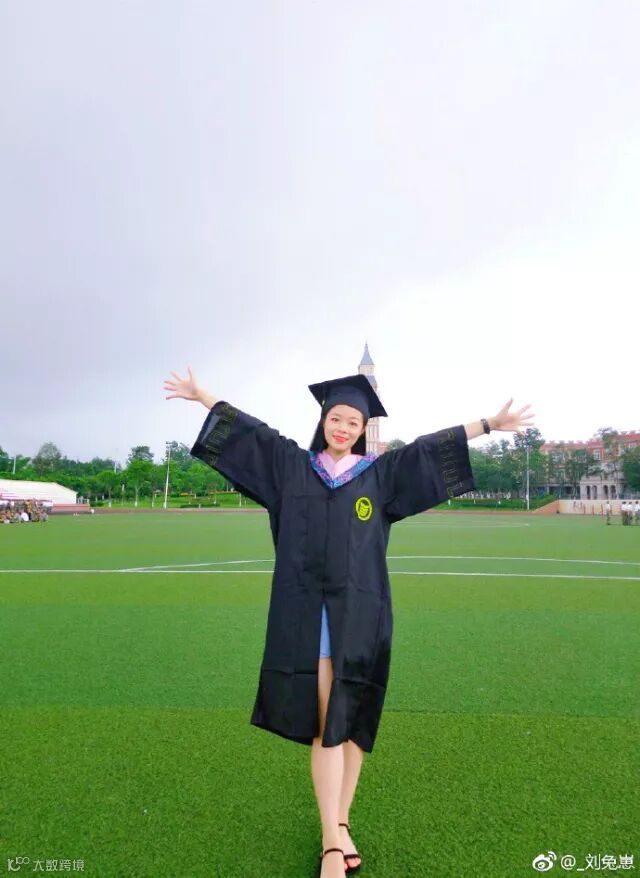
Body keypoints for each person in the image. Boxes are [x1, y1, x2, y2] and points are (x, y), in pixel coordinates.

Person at [164, 366, 536, 878]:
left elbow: (428, 450)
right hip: (309, 617)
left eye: (353, 422)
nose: (343, 428)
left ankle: (341, 821)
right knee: (328, 726)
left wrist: (489, 424)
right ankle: (330, 843)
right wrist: (203, 396)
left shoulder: (379, 475)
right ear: (323, 420)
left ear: (363, 429)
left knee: (354, 726)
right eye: (336, 418)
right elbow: (252, 432)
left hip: (363, 614)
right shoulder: (293, 468)